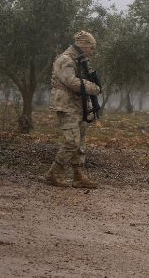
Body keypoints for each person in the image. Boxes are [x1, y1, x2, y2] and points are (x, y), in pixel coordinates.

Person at [44, 30, 102, 188]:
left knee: (81, 141)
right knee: (72, 142)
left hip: (79, 105)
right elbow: (72, 82)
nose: (91, 51)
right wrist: (93, 87)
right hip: (66, 106)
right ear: (82, 45)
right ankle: (53, 174)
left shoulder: (80, 60)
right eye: (90, 47)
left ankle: (78, 176)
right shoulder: (65, 59)